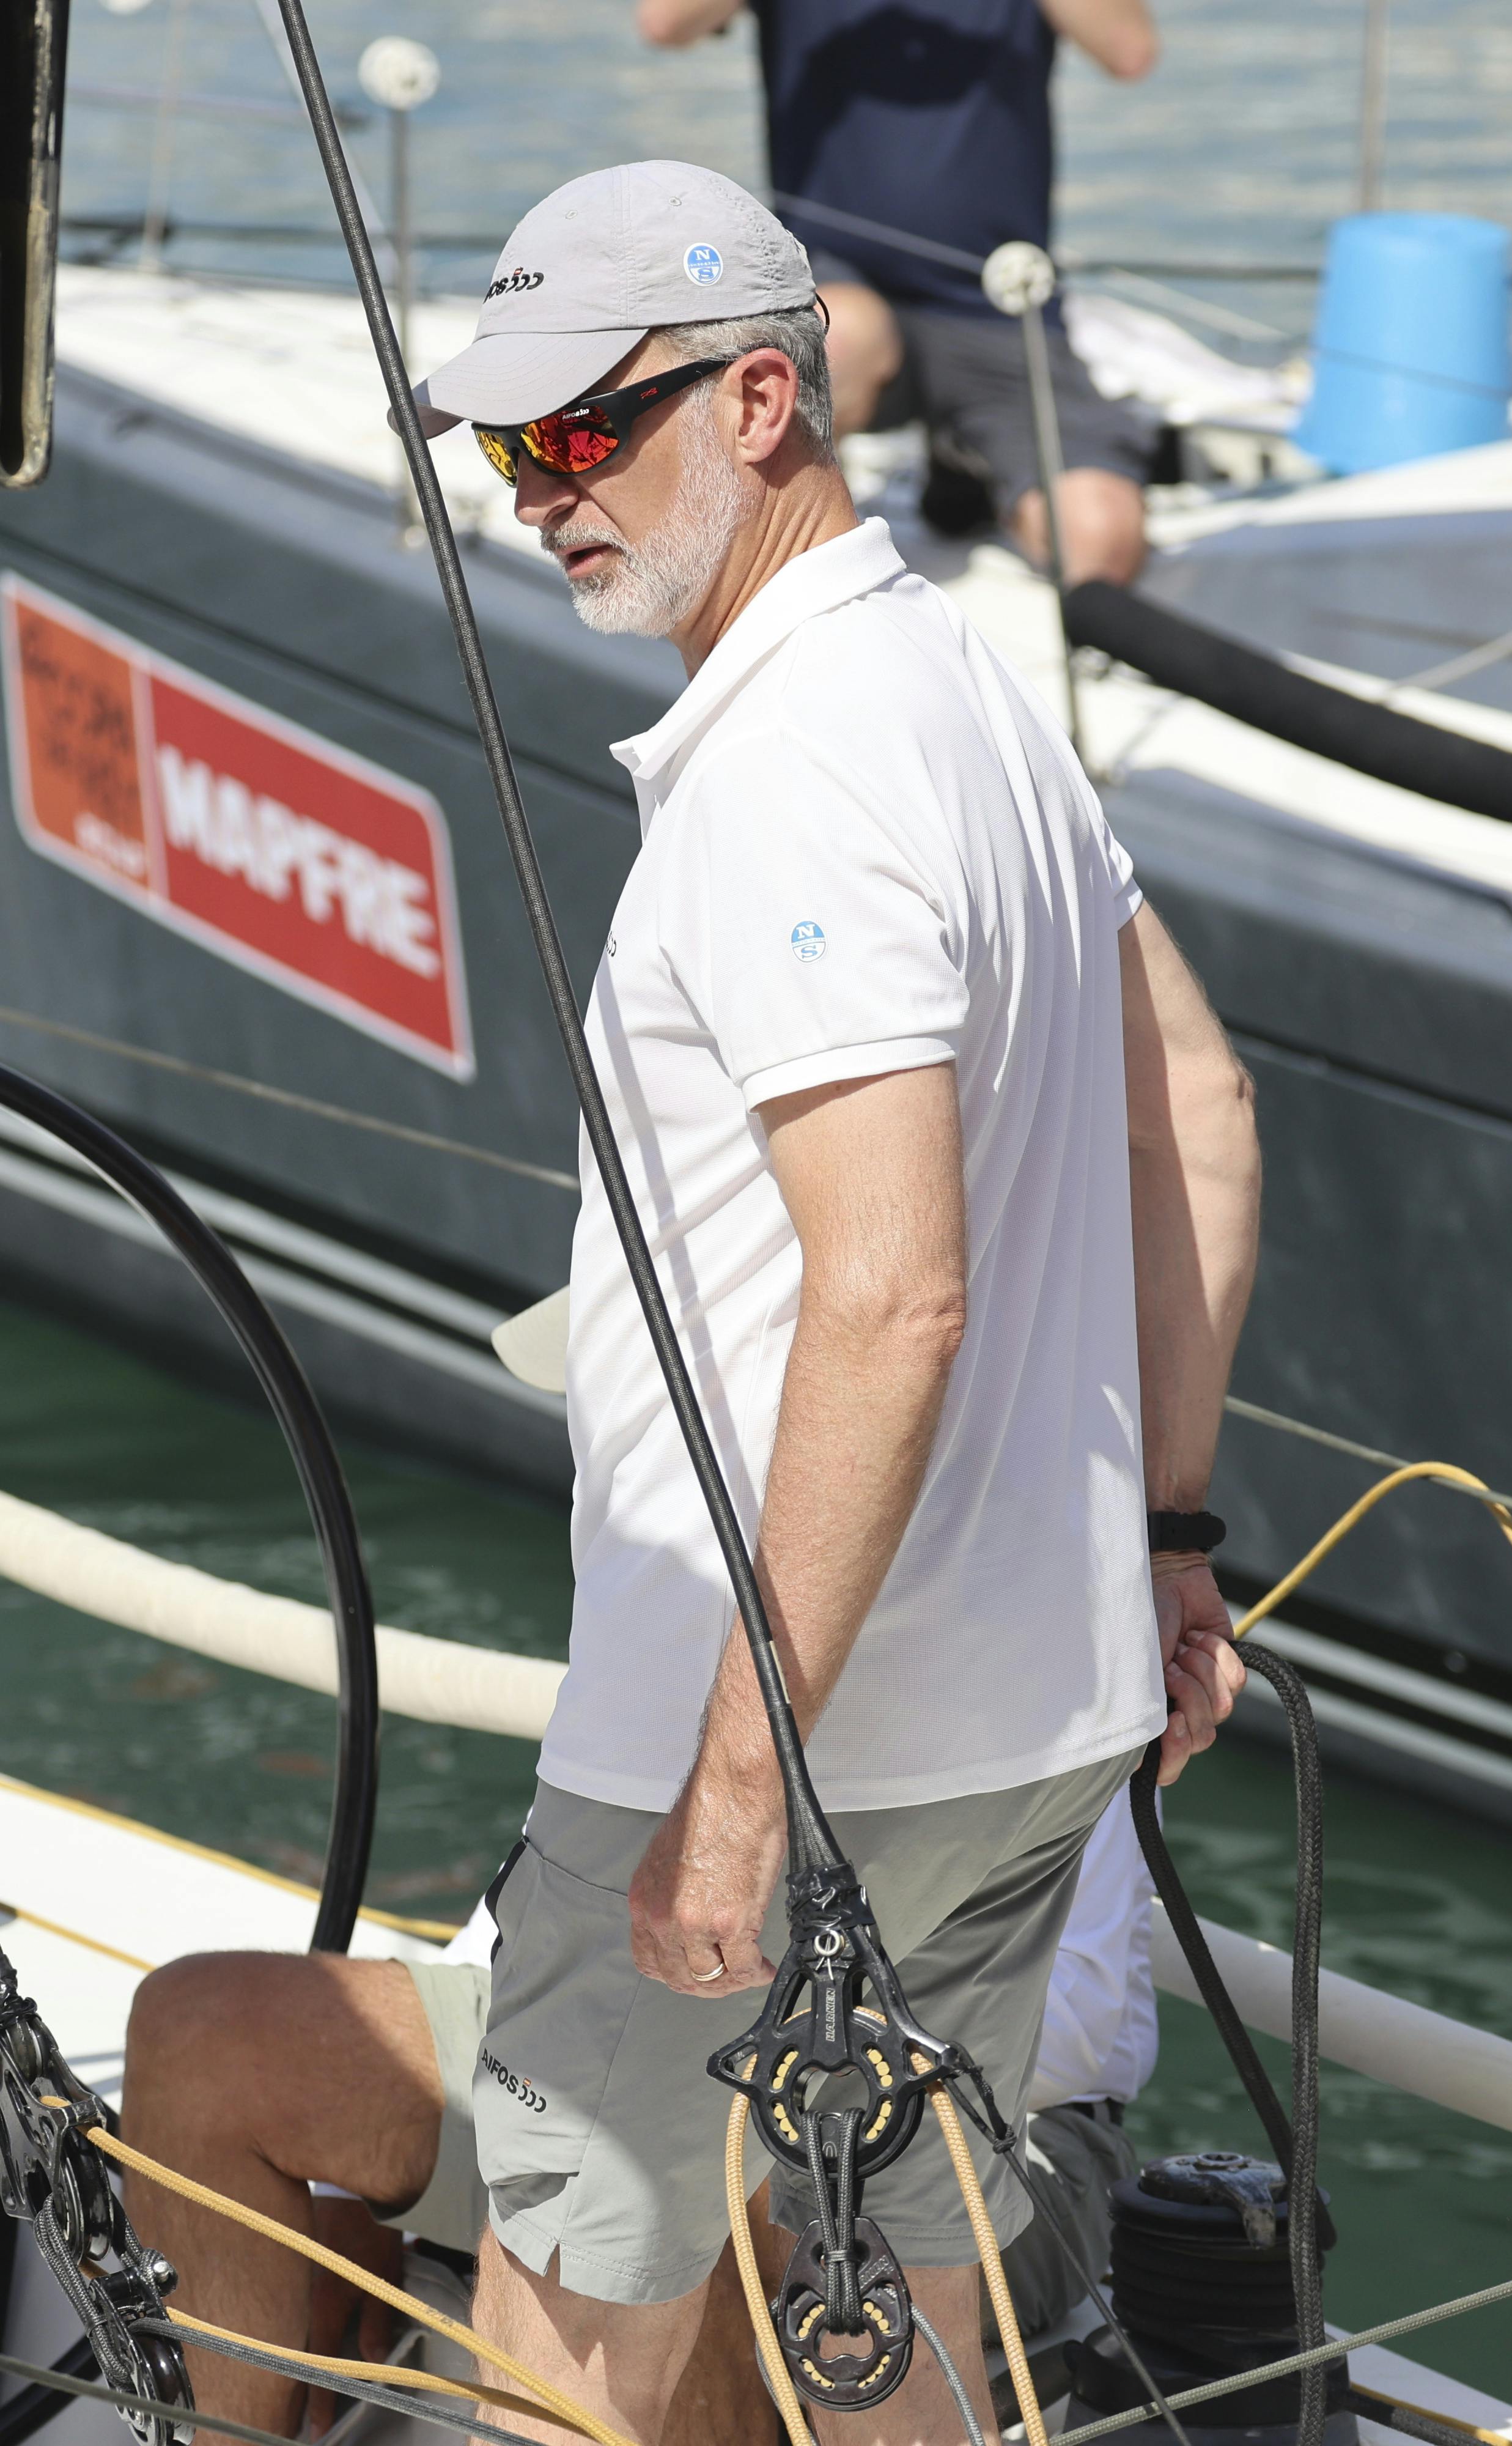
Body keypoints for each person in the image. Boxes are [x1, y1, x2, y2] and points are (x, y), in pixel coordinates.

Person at [129, 158, 1258, 2446]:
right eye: (501, 446)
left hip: (765, 1734)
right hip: (1016, 1719)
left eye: (576, 433)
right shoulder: (956, 679)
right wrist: (1164, 1531)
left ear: (760, 398)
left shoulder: (787, 781)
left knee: (571, 2357)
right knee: (884, 2337)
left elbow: (895, 1296)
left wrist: (732, 1788)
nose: (534, 494)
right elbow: (1202, 1111)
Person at [119, 1792, 1157, 2443]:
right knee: (207, 2036)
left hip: (993, 2124)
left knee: (683, 2132)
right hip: (623, 2029)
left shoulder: (1016, 1615)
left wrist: (727, 2020)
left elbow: (1074, 2019)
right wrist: (362, 2176)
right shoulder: (693, 1561)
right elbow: (536, 1906)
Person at [637, 0, 1160, 584]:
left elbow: (1129, 51)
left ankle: (965, 459)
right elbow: (665, 22)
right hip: (840, 287)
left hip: (994, 305)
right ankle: (783, 594)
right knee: (842, 338)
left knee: (1100, 538)